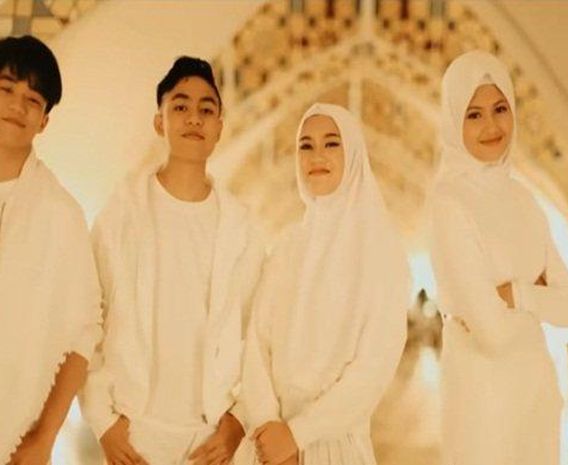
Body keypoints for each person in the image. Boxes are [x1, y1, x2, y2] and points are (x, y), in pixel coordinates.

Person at [80, 56, 264, 465]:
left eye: (206, 109)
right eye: (180, 106)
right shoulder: (121, 215)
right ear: (159, 121)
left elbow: (259, 334)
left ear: (219, 127)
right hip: (135, 431)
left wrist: (238, 421)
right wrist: (102, 422)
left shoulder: (242, 228)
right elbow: (87, 317)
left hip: (212, 438)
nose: (194, 118)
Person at [429, 50, 568, 465]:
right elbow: (491, 333)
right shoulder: (449, 202)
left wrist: (514, 294)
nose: (492, 126)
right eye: (473, 115)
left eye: (500, 109)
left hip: (537, 398)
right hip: (482, 405)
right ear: (454, 120)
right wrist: (536, 300)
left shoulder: (524, 200)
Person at [234, 103, 410, 465]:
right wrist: (269, 426)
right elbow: (256, 343)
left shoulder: (381, 250)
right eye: (306, 145)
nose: (317, 156)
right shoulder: (287, 246)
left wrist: (298, 435)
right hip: (267, 447)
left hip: (335, 444)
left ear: (353, 153)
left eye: (331, 143)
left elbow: (373, 367)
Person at [0, 35, 102, 465]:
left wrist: (45, 437)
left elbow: (85, 330)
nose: (17, 106)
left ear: (44, 121)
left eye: (33, 99)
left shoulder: (60, 214)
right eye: (6, 89)